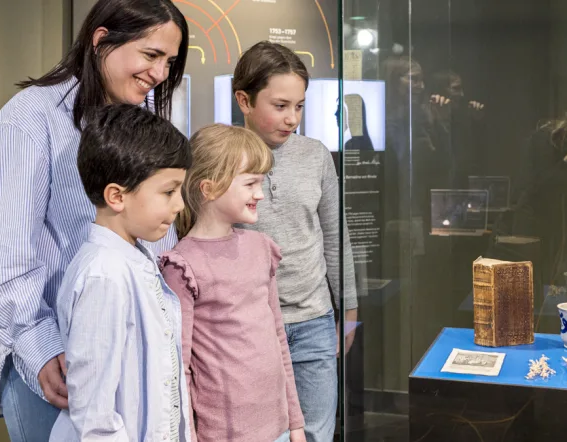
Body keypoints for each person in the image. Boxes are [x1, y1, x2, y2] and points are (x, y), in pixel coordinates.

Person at [0, 0, 188, 439]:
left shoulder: (142, 119)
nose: (161, 74)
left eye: (169, 61)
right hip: (58, 361)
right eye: (151, 56)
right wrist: (42, 349)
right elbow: (3, 260)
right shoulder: (28, 121)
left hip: (133, 354)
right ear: (101, 40)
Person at [232, 41, 358, 442]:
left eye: (299, 106)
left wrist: (348, 309)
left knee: (318, 432)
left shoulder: (316, 156)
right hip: (248, 323)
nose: (292, 119)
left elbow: (335, 239)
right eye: (281, 105)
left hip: (314, 319)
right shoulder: (219, 157)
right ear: (244, 100)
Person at [50, 103, 192, 441]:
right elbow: (93, 412)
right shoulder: (104, 276)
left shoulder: (133, 260)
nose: (180, 204)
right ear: (117, 196)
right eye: (168, 191)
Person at [160, 124, 306, 442]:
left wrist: (296, 422)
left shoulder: (261, 248)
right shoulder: (182, 266)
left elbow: (279, 340)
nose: (260, 194)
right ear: (209, 188)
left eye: (261, 182)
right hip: (224, 434)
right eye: (251, 183)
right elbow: (179, 367)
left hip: (279, 428)